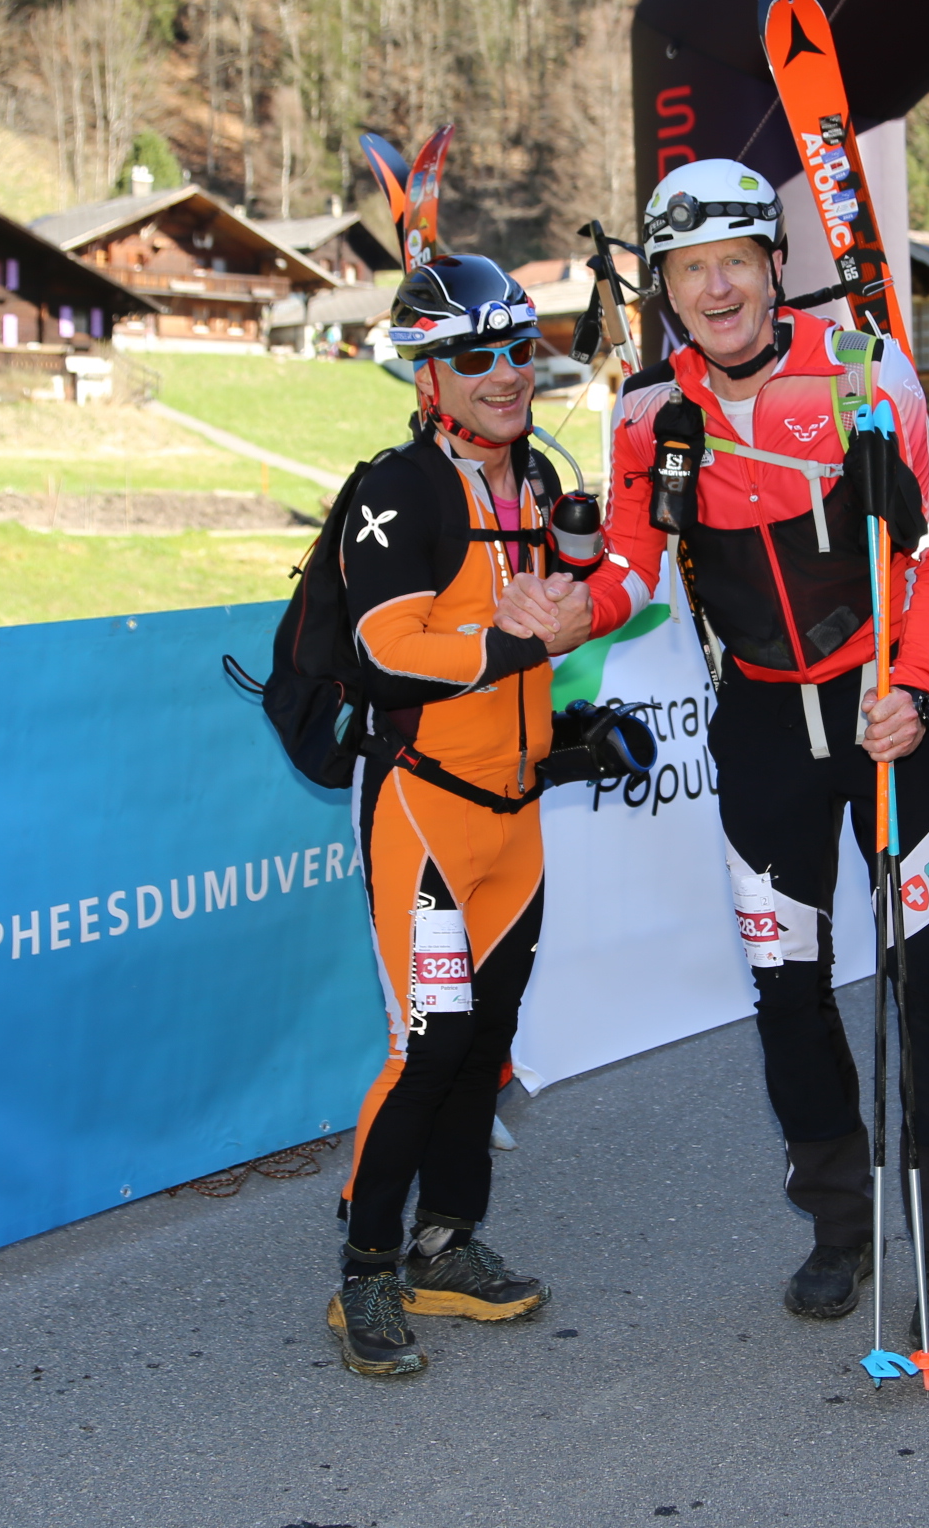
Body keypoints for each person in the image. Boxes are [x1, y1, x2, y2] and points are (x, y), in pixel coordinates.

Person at [500, 158, 929, 1350]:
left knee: (927, 974)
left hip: (888, 710)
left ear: (775, 267)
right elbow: (631, 569)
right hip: (765, 724)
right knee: (786, 985)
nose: (715, 290)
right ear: (665, 289)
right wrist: (570, 615)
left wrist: (917, 686)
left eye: (735, 262)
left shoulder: (866, 372)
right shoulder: (647, 417)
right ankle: (837, 1226)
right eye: (689, 271)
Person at [327, 253, 572, 1379]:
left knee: (486, 1046)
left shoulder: (538, 480)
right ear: (428, 377)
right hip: (424, 814)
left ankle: (446, 1243)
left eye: (519, 348)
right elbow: (388, 647)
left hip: (513, 819)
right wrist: (516, 644)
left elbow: (557, 619)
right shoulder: (401, 487)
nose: (505, 373)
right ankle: (365, 1269)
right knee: (426, 1047)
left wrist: (569, 725)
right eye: (475, 356)